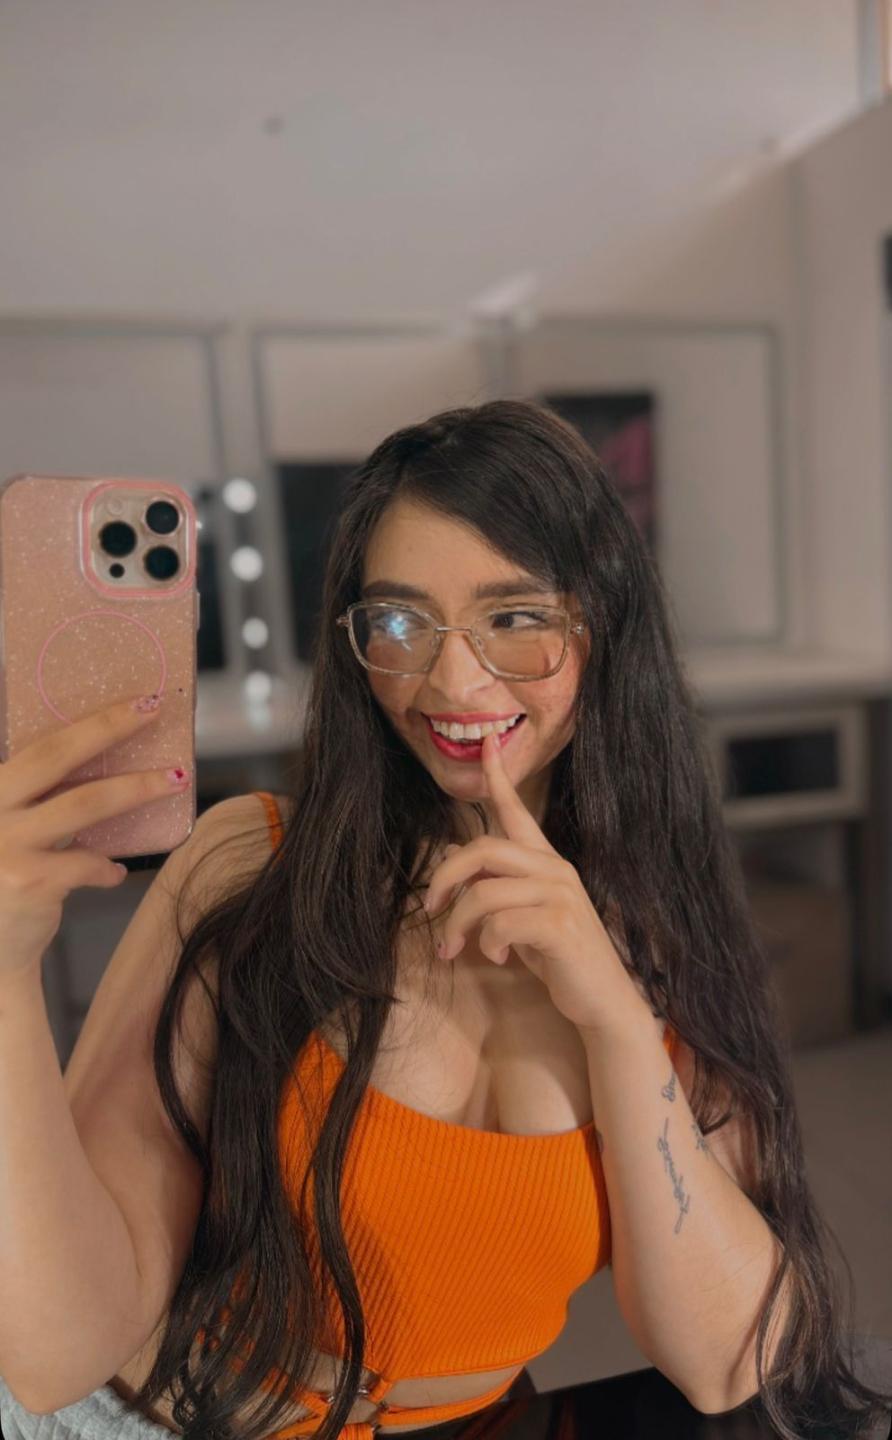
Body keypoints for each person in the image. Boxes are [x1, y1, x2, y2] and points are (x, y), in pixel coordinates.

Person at [0, 399, 888, 1440]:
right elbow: (58, 1355)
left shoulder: (659, 932)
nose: (453, 681)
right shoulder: (253, 868)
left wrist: (614, 1022)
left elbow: (728, 1361)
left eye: (514, 616)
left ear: (604, 624)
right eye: (399, 622)